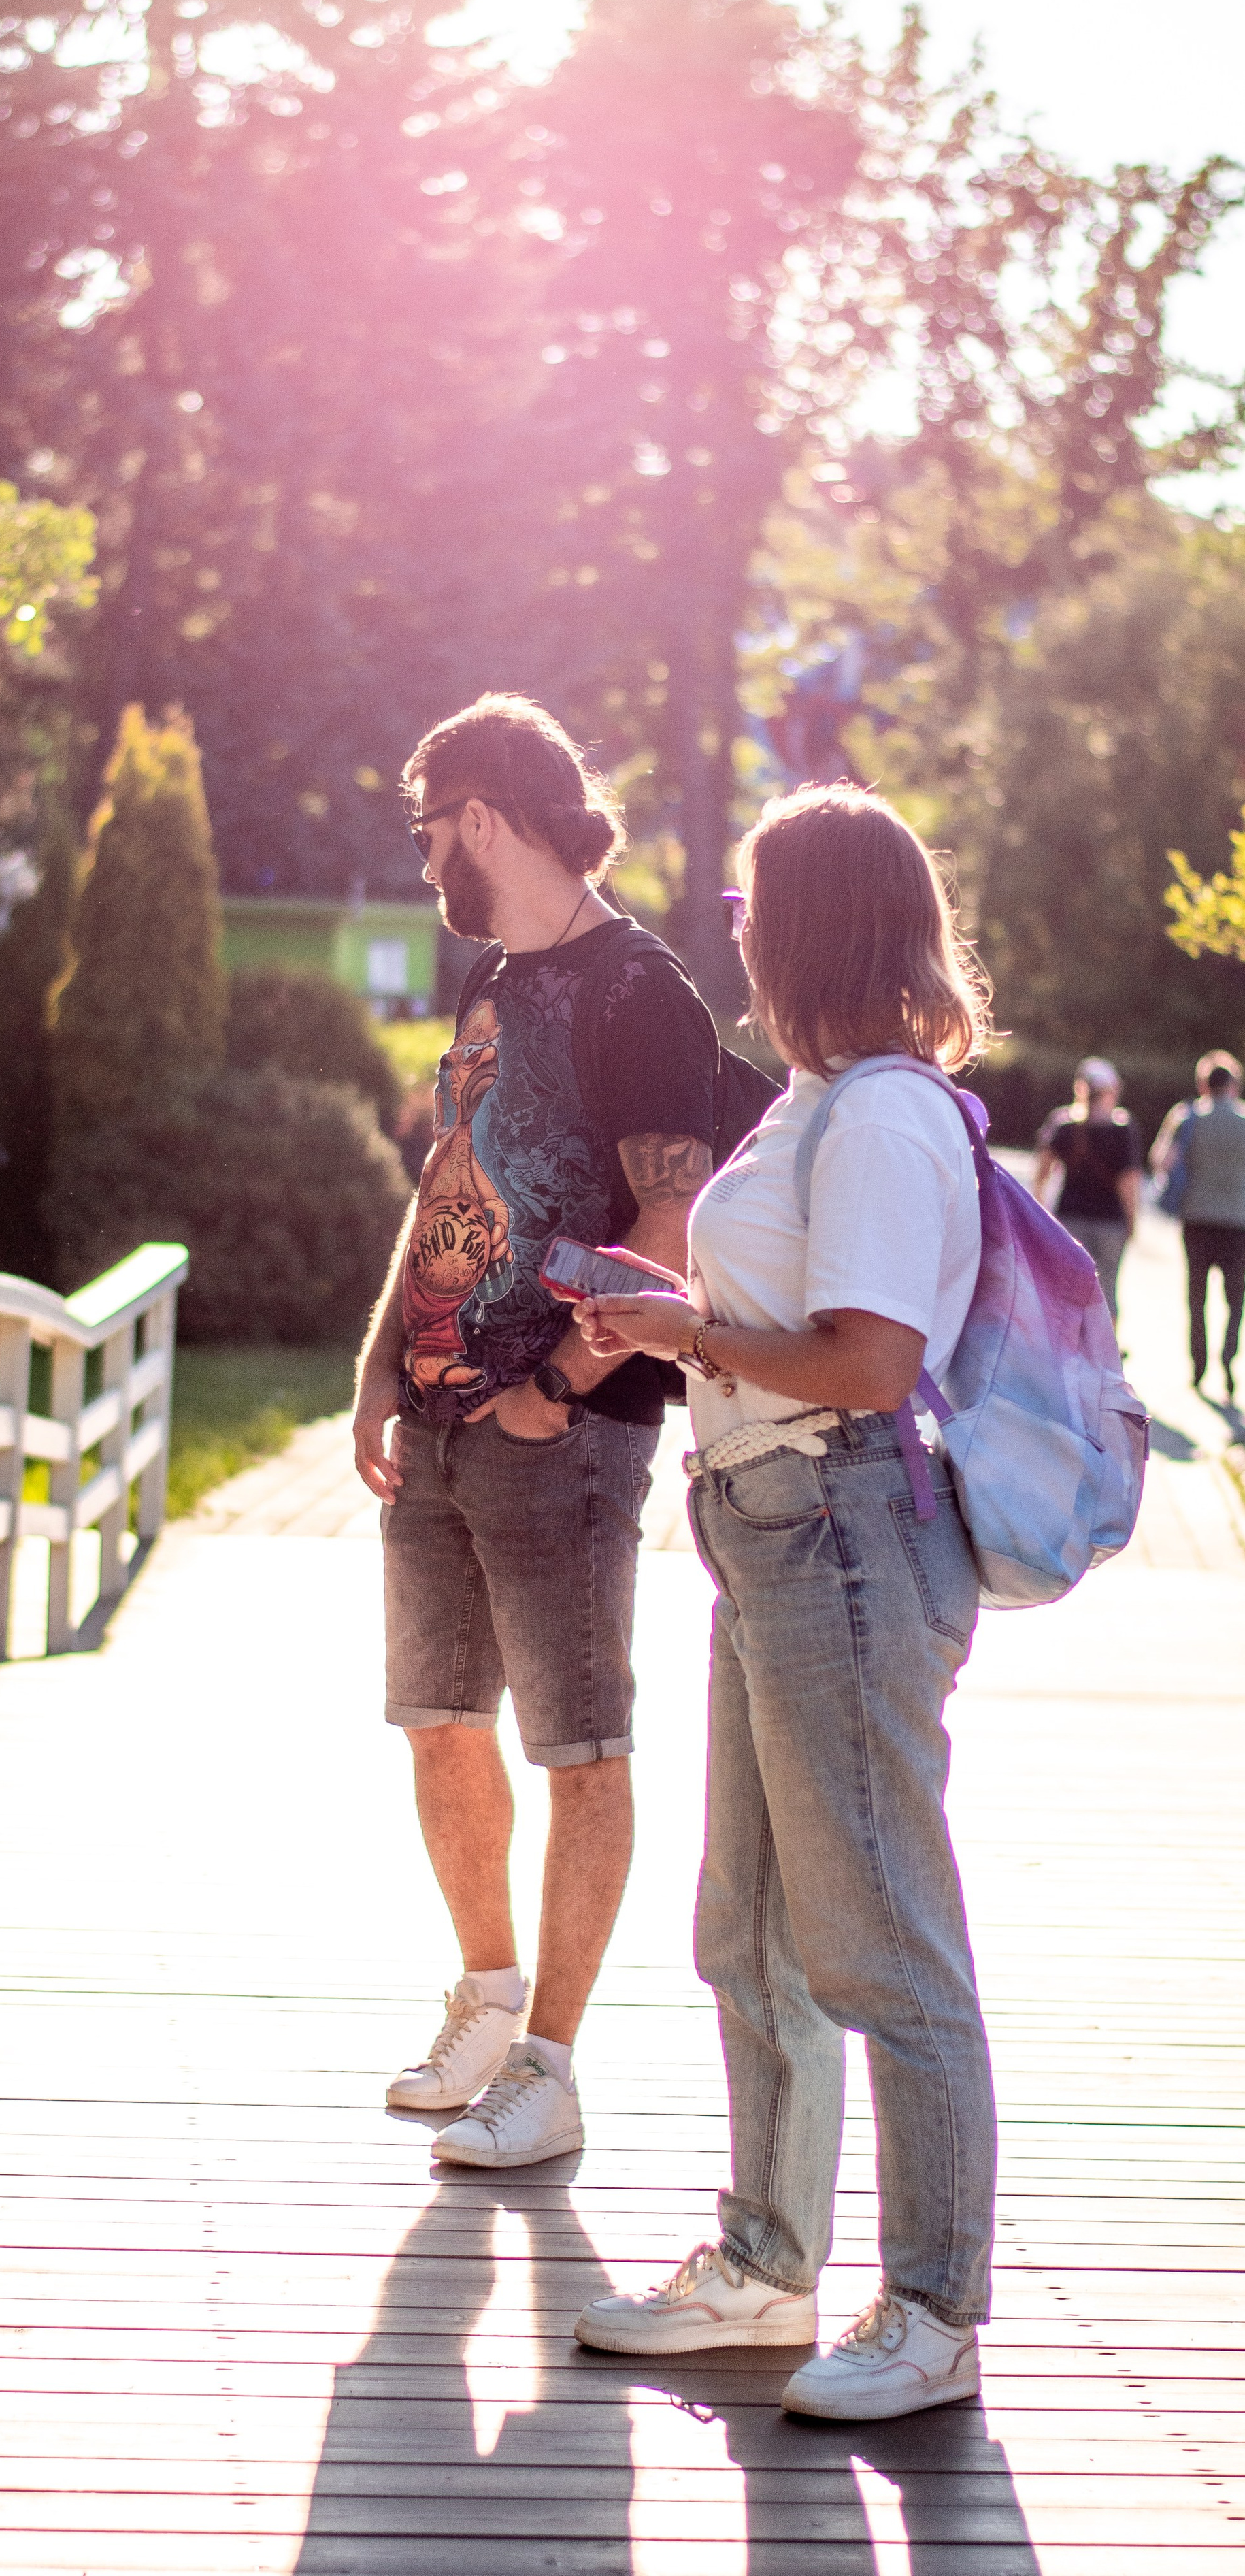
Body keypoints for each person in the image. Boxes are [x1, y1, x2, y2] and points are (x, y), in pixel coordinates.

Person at [567, 783, 996, 2426]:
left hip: (834, 1525)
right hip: (761, 1524)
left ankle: (931, 2306)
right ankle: (762, 2265)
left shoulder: (881, 1110)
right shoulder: (814, 1099)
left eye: (750, 904)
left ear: (810, 919)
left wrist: (686, 1338)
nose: (732, 930)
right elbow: (792, 1316)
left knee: (881, 1935)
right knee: (747, 1927)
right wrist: (672, 1313)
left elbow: (870, 1360)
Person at [353, 694, 723, 2171]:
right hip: (438, 1420)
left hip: (562, 1434)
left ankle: (554, 2066)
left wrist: (552, 1387)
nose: (423, 853)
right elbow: (451, 1180)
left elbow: (669, 1215)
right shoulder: (492, 985)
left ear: (484, 815)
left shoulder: (645, 994)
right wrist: (380, 1363)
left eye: (427, 824)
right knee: (440, 1727)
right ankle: (487, 2006)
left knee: (577, 1744)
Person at [1152, 1050, 1245, 1396]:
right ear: (1234, 1083)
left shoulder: (1187, 1116)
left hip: (1197, 1217)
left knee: (1197, 1295)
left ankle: (1198, 1366)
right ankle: (1228, 1357)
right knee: (1236, 1299)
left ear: (1204, 1084)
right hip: (1238, 1221)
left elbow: (1161, 1161)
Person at [1031, 1058, 1142, 1325]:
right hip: (1110, 1223)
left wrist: (1044, 1215)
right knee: (1107, 1292)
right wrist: (1132, 1221)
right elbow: (1129, 1182)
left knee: (1066, 1290)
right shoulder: (1122, 1129)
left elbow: (1041, 1176)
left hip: (1069, 1219)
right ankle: (1106, 1357)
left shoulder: (1063, 1125)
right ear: (1111, 1091)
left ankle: (1066, 1352)